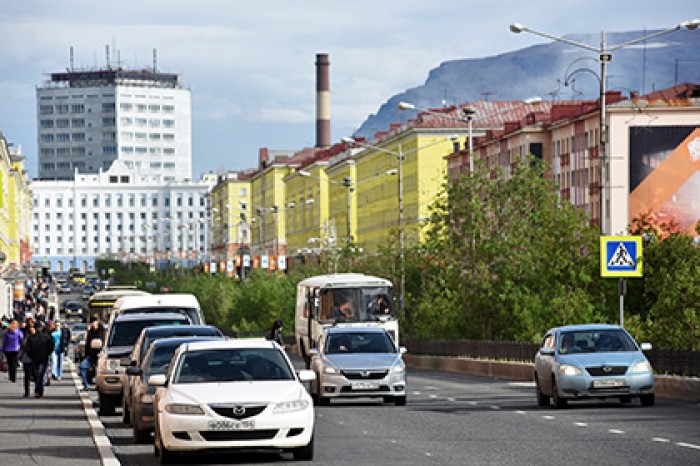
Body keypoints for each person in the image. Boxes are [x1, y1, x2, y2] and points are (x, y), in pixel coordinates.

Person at [24, 320, 54, 398]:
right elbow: (51, 347)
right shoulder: (47, 337)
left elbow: (27, 349)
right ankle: (39, 390)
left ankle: (38, 390)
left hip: (34, 358)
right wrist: (47, 353)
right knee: (41, 374)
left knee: (37, 374)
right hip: (43, 357)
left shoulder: (31, 337)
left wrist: (31, 356)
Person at [80, 315, 105, 390]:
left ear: (96, 322)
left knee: (99, 371)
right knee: (82, 366)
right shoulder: (90, 331)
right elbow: (88, 343)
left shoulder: (101, 330)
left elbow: (100, 341)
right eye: (91, 323)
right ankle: (85, 385)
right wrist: (86, 354)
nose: (92, 324)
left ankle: (99, 386)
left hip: (99, 354)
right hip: (91, 354)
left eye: (93, 322)